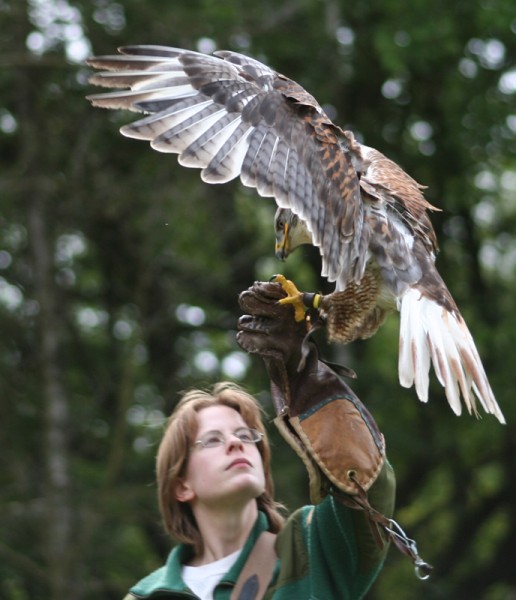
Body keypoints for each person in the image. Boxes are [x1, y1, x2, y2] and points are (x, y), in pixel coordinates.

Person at [123, 281, 396, 600]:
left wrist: (307, 378)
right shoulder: (147, 596)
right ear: (181, 485)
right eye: (212, 440)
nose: (236, 443)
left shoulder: (313, 547)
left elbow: (370, 488)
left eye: (245, 435)